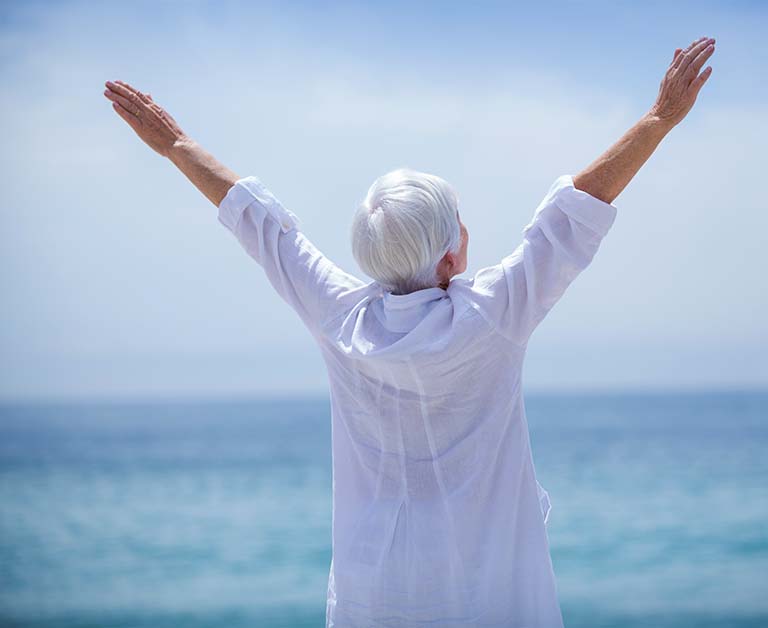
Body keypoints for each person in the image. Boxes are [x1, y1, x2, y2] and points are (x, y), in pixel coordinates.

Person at [104, 35, 716, 628]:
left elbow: (261, 226)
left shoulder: (338, 316)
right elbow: (571, 217)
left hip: (373, 599)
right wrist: (660, 118)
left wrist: (176, 144)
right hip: (489, 597)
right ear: (452, 257)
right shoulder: (493, 316)